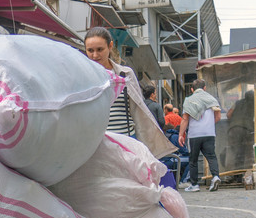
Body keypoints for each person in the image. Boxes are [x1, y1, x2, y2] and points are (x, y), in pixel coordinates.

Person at [82, 27, 173, 159]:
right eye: (90, 50)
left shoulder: (125, 74)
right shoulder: (83, 77)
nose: (95, 55)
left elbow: (137, 109)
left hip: (127, 142)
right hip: (97, 145)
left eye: (100, 49)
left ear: (110, 46)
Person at [178, 78, 222, 191]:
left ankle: (194, 185)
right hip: (209, 133)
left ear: (192, 89)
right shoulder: (212, 99)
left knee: (193, 160)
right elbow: (218, 117)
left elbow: (185, 119)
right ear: (205, 88)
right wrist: (208, 125)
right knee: (211, 156)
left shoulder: (189, 100)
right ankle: (216, 176)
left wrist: (180, 135)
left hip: (194, 134)